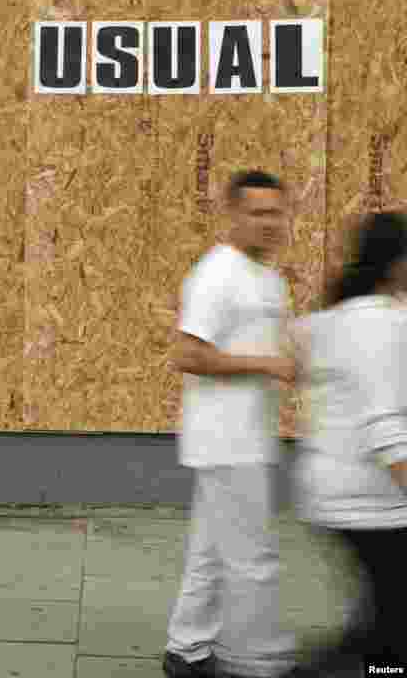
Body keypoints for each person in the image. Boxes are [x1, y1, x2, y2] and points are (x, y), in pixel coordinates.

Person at [163, 170, 301, 678]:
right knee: (252, 557)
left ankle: (187, 651)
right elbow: (187, 353)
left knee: (212, 552)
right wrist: (267, 365)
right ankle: (259, 663)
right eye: (258, 213)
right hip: (225, 441)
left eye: (277, 212)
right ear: (234, 216)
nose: (270, 223)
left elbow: (271, 348)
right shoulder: (217, 273)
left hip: (247, 438)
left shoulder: (269, 277)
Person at [288, 211, 407, 675]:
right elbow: (384, 425)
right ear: (397, 263)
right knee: (394, 630)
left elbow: (297, 348)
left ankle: (330, 664)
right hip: (372, 499)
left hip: (334, 490)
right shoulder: (380, 324)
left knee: (385, 609)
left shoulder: (337, 317)